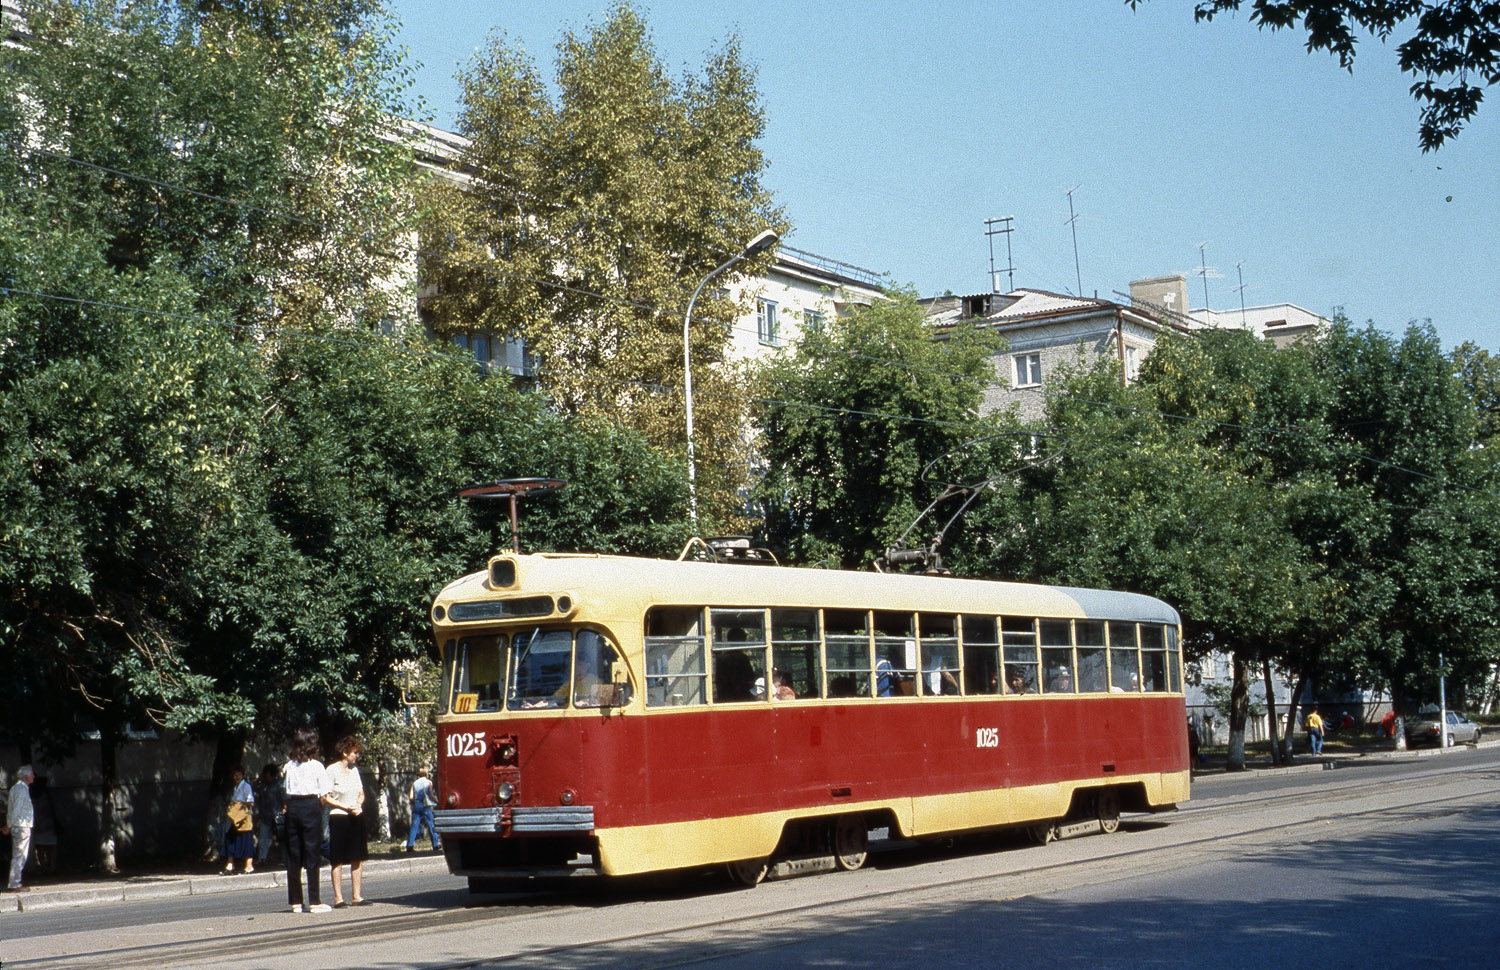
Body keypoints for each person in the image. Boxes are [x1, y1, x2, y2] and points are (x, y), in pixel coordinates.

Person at [282, 727, 333, 913]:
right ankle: (314, 901)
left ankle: (296, 902)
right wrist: (316, 809)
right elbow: (324, 795)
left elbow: (285, 791)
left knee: (293, 854)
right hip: (311, 806)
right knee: (312, 853)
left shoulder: (289, 766)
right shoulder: (317, 766)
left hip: (293, 807)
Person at [326, 735, 368, 908]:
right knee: (338, 858)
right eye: (354, 752)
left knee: (357, 856)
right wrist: (344, 806)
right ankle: (338, 897)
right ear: (344, 752)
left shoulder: (354, 771)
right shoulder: (332, 770)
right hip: (338, 816)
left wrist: (358, 804)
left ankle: (357, 896)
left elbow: (361, 792)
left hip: (355, 815)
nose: (356, 756)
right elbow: (326, 796)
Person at [3, 765, 36, 892]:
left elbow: (11, 809)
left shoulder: (16, 788)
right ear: (25, 776)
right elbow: (16, 809)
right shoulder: (21, 789)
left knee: (18, 854)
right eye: (32, 774)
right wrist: (9, 825)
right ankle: (15, 883)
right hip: (21, 825)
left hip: (18, 825)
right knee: (20, 855)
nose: (33, 776)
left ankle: (15, 882)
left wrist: (9, 824)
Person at [222, 764, 256, 875]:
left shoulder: (246, 786)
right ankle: (230, 865)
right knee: (230, 840)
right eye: (235, 775)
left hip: (244, 818)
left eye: (239, 775)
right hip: (235, 818)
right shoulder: (235, 787)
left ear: (243, 775)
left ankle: (249, 866)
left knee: (246, 841)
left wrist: (238, 805)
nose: (237, 777)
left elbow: (251, 802)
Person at [253, 764, 285, 866]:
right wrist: (259, 779)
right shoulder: (263, 784)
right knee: (263, 837)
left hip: (277, 814)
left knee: (282, 838)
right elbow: (253, 788)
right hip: (265, 814)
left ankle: (284, 858)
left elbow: (283, 798)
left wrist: (284, 810)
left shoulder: (279, 783)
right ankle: (262, 858)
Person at [406, 768, 440, 852]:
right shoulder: (428, 782)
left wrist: (415, 802)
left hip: (417, 805)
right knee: (431, 824)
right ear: (426, 773)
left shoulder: (415, 783)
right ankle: (435, 844)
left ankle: (410, 845)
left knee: (414, 825)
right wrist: (437, 802)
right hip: (425, 805)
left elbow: (411, 797)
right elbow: (431, 795)